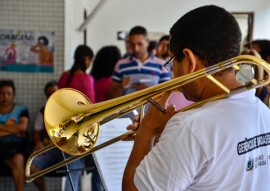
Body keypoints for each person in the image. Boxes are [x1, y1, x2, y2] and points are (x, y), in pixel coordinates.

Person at [122, 5, 270, 190]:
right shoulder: (264, 112)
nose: (173, 74)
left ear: (189, 60)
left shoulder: (189, 126)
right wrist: (164, 136)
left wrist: (146, 132)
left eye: (171, 63)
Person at [108, 26, 171, 99]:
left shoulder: (162, 64)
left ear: (147, 42)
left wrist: (147, 92)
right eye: (132, 44)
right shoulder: (120, 64)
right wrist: (120, 87)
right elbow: (110, 96)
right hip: (126, 110)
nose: (136, 49)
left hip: (151, 110)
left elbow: (167, 96)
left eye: (140, 44)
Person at [0, 79, 29, 191]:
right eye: (2, 93)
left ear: (14, 95)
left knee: (18, 159)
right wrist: (14, 130)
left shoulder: (21, 110)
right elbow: (19, 129)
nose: (5, 97)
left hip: (16, 148)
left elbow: (22, 127)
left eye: (8, 94)